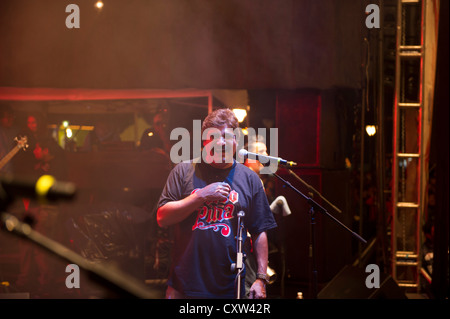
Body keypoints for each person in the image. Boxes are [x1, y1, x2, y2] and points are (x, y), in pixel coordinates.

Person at [156, 108, 277, 299]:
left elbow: (260, 230)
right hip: (186, 284)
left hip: (234, 285)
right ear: (204, 140)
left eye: (226, 137)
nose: (220, 142)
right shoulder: (183, 172)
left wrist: (261, 278)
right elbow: (162, 217)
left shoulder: (250, 179)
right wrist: (200, 197)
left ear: (236, 141)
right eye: (213, 137)